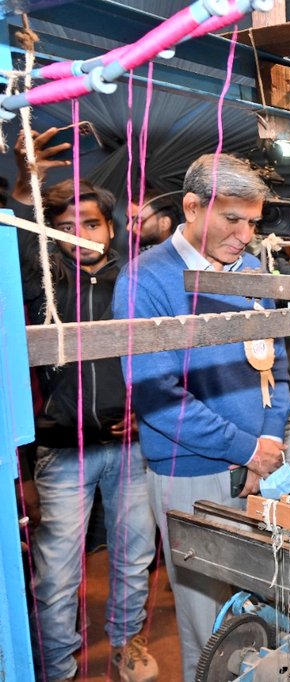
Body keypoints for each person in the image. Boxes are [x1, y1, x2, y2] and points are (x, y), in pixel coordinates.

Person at [113, 153, 290, 681]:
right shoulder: (146, 280)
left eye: (253, 222)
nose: (245, 235)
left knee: (273, 609)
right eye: (232, 219)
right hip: (192, 473)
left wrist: (268, 445)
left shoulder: (253, 272)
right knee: (210, 630)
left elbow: (276, 368)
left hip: (265, 465)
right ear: (192, 207)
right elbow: (157, 396)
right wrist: (247, 449)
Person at [23, 180, 157, 682]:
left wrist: (145, 409)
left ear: (111, 228)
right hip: (62, 450)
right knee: (57, 574)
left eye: (91, 224)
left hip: (131, 447)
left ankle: (128, 645)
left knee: (134, 556)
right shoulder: (41, 283)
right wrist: (24, 198)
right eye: (64, 227)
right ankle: (58, 668)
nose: (78, 236)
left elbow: (163, 354)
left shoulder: (136, 281)